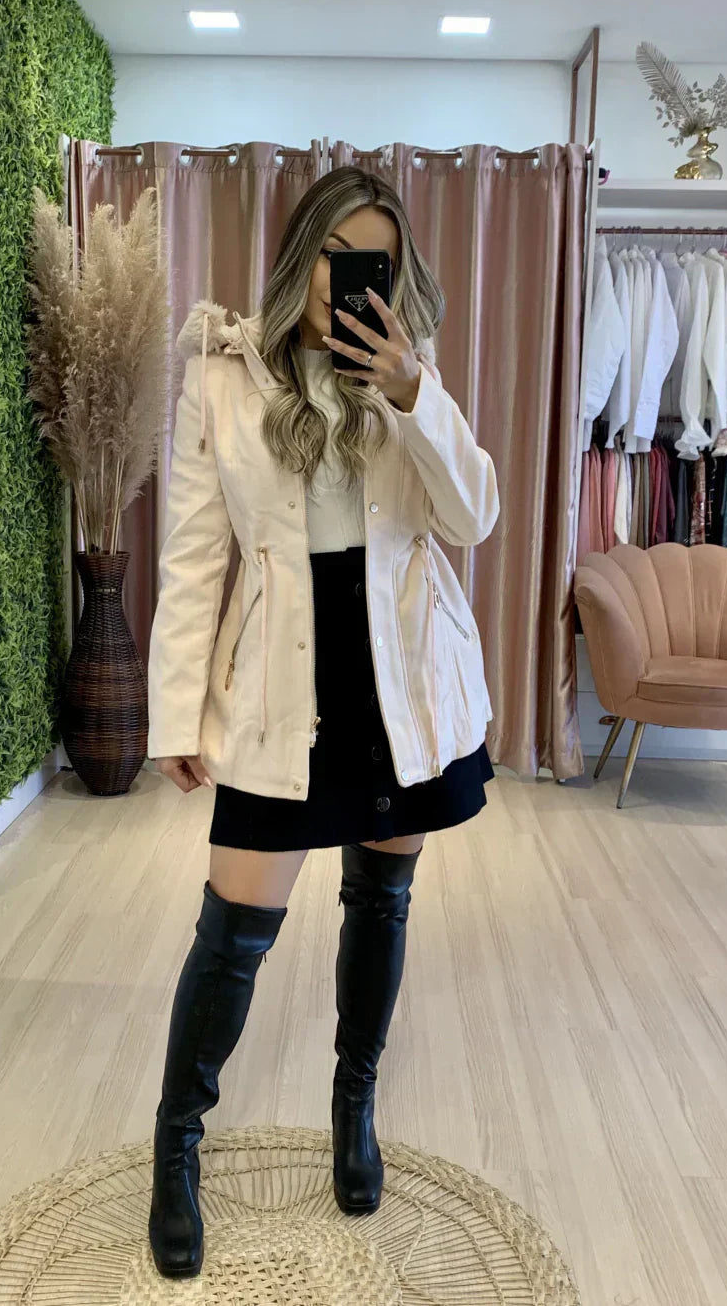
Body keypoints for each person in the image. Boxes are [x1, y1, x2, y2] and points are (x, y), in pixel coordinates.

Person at [145, 166, 499, 1279]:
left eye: (375, 260)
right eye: (338, 254)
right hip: (278, 680)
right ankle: (176, 1146)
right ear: (303, 254)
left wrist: (410, 392)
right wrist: (175, 713)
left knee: (381, 900)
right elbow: (193, 555)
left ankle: (355, 1108)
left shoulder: (406, 372)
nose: (352, 279)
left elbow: (472, 518)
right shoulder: (225, 374)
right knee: (234, 929)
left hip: (400, 678)